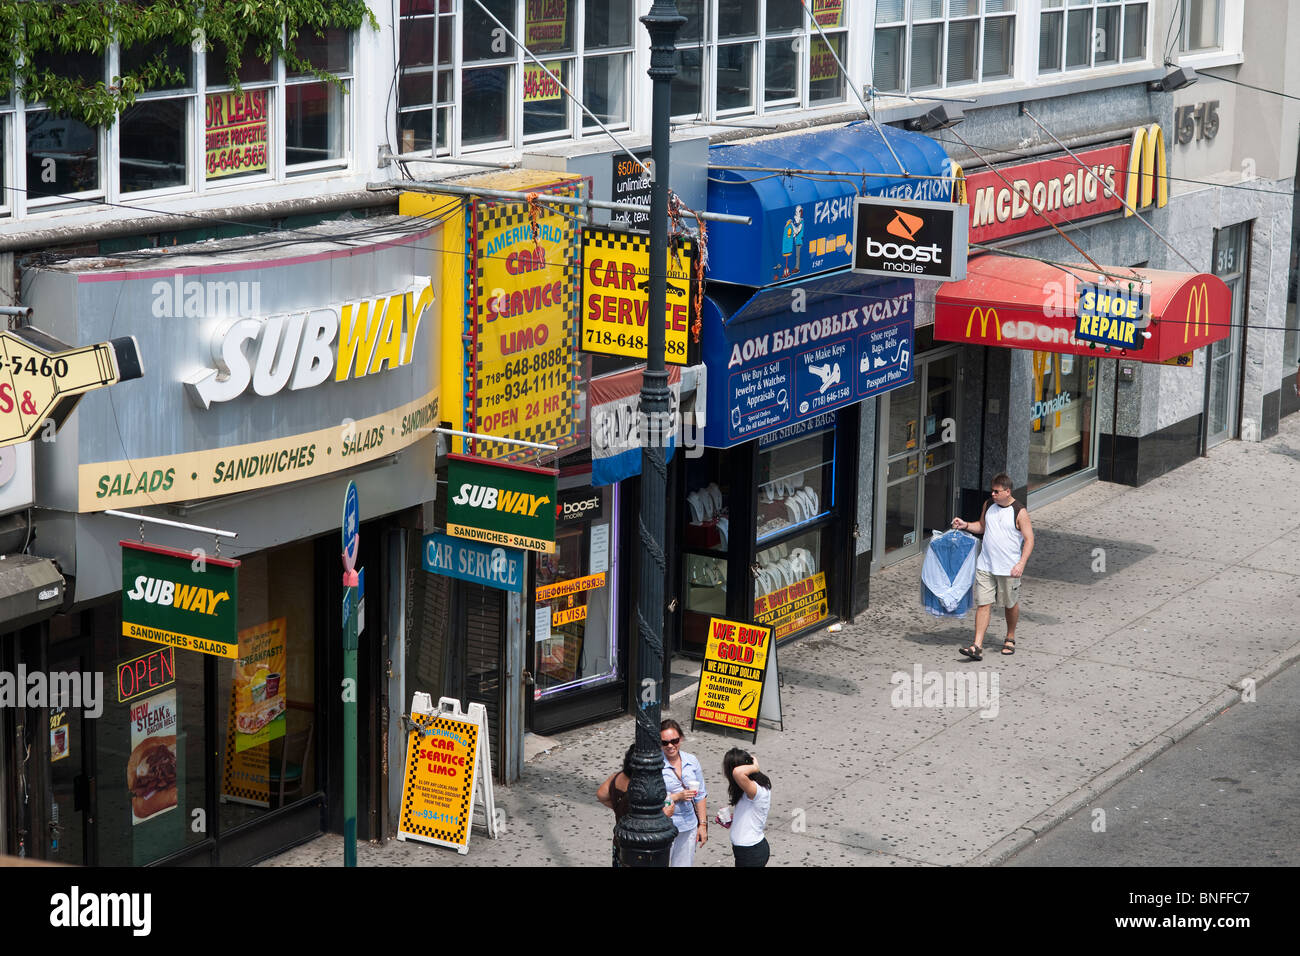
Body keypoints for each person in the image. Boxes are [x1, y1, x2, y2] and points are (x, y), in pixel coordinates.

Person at [950, 472, 1034, 659]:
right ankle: (976, 645)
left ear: (1007, 491)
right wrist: (965, 525)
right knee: (983, 604)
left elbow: (1029, 540)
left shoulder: (1019, 511)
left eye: (997, 492)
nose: (993, 495)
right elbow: (982, 527)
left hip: (1009, 568)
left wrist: (1021, 563)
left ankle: (1010, 637)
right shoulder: (988, 505)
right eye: (992, 491)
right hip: (985, 565)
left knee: (1010, 604)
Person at [660, 719, 707, 866]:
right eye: (665, 743)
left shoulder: (691, 761)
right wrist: (677, 796)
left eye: (674, 741)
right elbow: (649, 799)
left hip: (689, 824)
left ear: (681, 738)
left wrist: (702, 825)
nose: (670, 746)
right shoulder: (657, 765)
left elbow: (701, 795)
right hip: (665, 825)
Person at [722, 748, 772, 867]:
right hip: (747, 851)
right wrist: (734, 820)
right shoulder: (749, 788)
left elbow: (737, 773)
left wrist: (755, 766)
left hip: (751, 852)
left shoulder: (756, 790)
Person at [596, 745, 635, 867]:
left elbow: (601, 795)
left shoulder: (615, 777)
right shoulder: (640, 786)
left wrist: (618, 809)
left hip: (619, 839)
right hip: (637, 845)